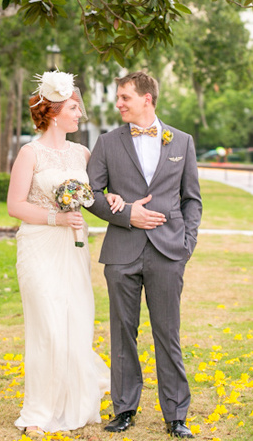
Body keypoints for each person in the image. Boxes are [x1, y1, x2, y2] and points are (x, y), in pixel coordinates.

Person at [7, 70, 124, 437]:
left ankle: (73, 403)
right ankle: (39, 413)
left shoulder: (83, 153)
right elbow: (14, 205)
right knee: (47, 327)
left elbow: (95, 197)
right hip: (39, 246)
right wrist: (56, 218)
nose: (80, 113)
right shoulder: (31, 153)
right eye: (74, 107)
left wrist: (114, 197)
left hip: (73, 249)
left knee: (75, 323)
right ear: (55, 111)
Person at [87, 72, 202, 439]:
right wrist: (125, 213)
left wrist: (186, 245)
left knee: (168, 333)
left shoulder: (182, 141)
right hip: (122, 252)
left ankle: (176, 415)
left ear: (147, 99)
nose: (119, 103)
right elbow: (90, 192)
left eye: (125, 97)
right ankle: (124, 410)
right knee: (123, 332)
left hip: (169, 252)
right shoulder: (107, 142)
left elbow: (192, 199)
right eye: (119, 97)